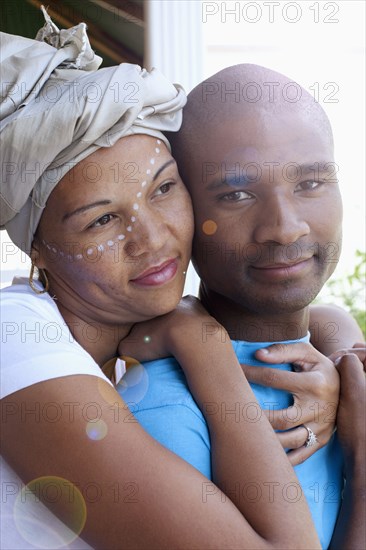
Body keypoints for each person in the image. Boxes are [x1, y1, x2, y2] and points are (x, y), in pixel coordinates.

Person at [0, 14, 323, 550]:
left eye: (163, 189)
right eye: (101, 220)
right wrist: (205, 346)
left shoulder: (127, 342)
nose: (151, 239)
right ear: (35, 247)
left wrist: (336, 345)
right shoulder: (14, 339)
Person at [118, 64, 365, 549]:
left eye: (311, 183)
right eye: (236, 194)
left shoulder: (344, 377)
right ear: (181, 211)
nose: (285, 227)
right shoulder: (167, 414)